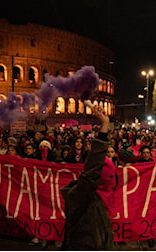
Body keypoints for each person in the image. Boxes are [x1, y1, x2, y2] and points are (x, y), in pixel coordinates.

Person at [61, 105, 116, 250]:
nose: (112, 180)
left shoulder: (96, 198)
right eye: (109, 176)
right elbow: (92, 170)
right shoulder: (84, 195)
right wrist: (104, 126)